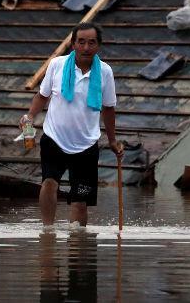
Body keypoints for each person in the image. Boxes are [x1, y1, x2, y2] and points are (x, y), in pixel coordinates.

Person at [21, 22, 123, 228]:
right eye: (81, 42)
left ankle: (77, 246)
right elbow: (43, 96)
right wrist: (30, 116)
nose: (86, 47)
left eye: (91, 43)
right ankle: (47, 232)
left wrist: (112, 140)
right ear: (73, 44)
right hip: (54, 138)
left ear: (98, 46)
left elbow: (109, 108)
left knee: (80, 200)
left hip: (86, 145)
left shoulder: (104, 72)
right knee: (49, 182)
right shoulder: (57, 65)